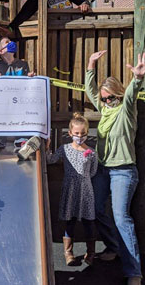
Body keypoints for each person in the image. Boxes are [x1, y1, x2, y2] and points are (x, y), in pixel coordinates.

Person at [85, 50, 145, 285]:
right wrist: (91, 66)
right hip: (103, 169)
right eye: (103, 99)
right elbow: (90, 91)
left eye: (109, 97)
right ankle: (113, 247)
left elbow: (132, 94)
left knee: (122, 218)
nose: (105, 101)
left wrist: (138, 78)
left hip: (123, 170)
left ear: (118, 95)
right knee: (96, 209)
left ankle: (134, 272)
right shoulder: (105, 110)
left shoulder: (126, 109)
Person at [45, 113, 99, 266]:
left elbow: (93, 171)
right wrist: (47, 148)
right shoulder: (65, 149)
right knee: (70, 220)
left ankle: (91, 252)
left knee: (89, 221)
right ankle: (68, 252)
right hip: (70, 189)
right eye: (76, 133)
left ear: (87, 134)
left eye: (83, 133)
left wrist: (84, 179)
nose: (79, 136)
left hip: (85, 190)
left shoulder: (92, 152)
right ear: (70, 133)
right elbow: (51, 160)